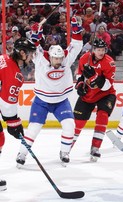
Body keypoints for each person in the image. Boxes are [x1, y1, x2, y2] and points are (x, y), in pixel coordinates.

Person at [16, 16, 84, 167]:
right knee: (33, 129)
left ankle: (64, 152)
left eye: (60, 59)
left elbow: (77, 45)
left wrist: (75, 30)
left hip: (61, 101)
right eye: (56, 59)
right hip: (42, 101)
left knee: (69, 126)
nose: (59, 62)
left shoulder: (66, 59)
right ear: (50, 57)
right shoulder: (41, 59)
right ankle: (22, 153)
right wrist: (35, 35)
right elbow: (33, 48)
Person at [0, 38, 37, 189]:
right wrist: (14, 122)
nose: (31, 57)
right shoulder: (15, 75)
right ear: (22, 53)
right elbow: (7, 104)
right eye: (30, 54)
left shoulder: (3, 58)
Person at [73, 38, 116, 162]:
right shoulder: (84, 58)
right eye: (98, 50)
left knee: (102, 116)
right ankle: (66, 149)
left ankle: (95, 148)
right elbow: (79, 75)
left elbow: (107, 85)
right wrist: (80, 85)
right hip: (89, 95)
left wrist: (94, 76)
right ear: (93, 50)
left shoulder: (109, 62)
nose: (101, 52)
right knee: (77, 123)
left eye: (103, 50)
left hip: (105, 94)